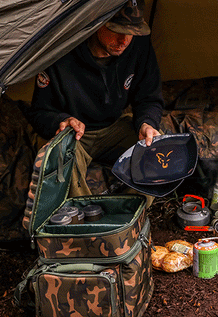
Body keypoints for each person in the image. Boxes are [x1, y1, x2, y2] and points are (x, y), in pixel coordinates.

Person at [26, 0, 163, 199]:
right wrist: (62, 120)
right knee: (61, 154)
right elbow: (39, 112)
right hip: (78, 136)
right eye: (116, 30)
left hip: (115, 128)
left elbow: (149, 97)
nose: (124, 40)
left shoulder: (138, 45)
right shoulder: (61, 52)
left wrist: (147, 123)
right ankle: (85, 220)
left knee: (155, 146)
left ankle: (131, 215)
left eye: (131, 31)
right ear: (96, 22)